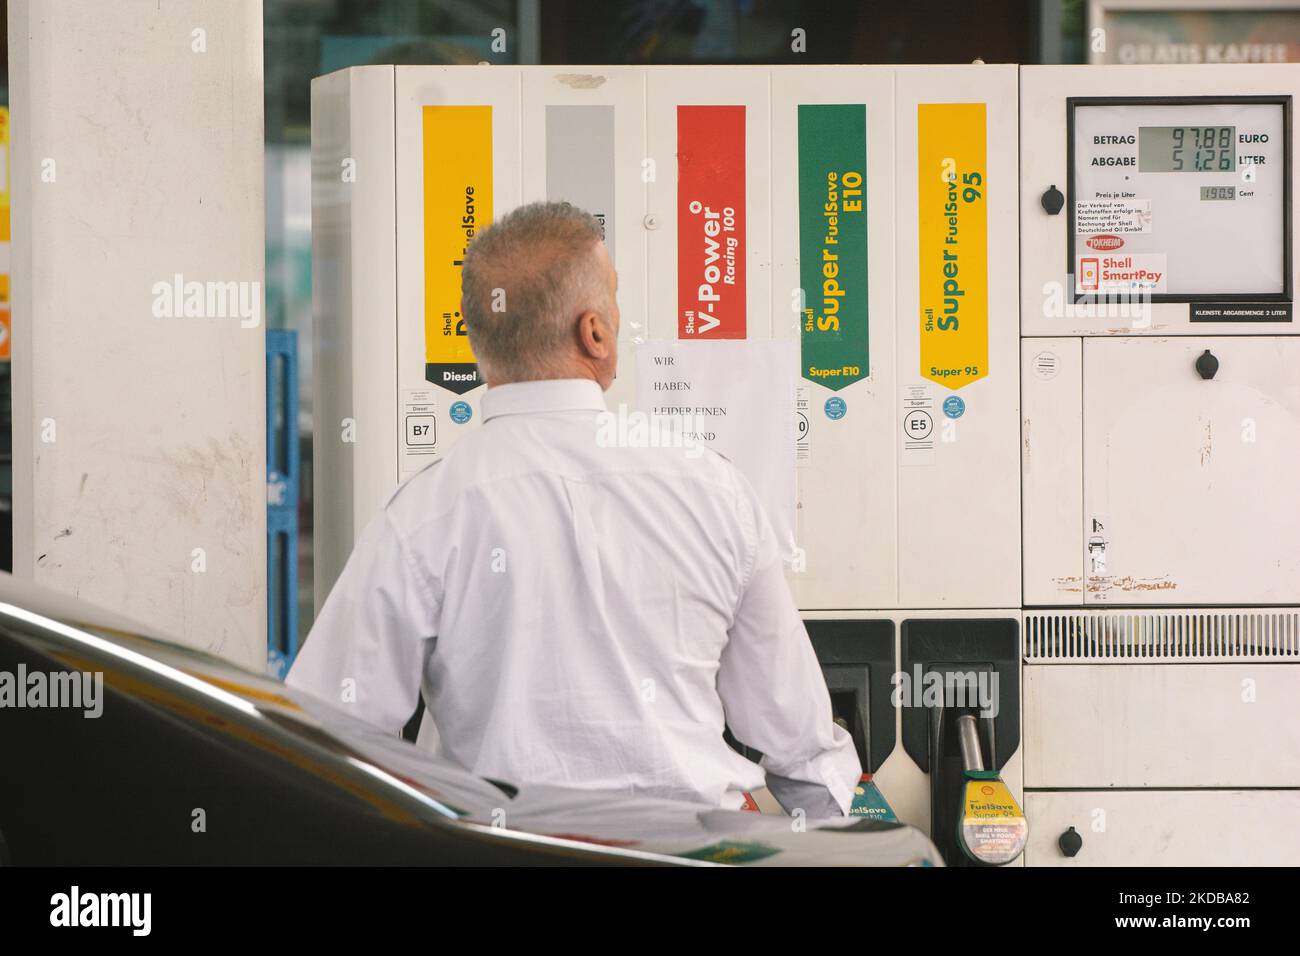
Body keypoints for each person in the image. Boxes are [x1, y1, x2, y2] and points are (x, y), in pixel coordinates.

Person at [287, 201, 860, 814]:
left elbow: (322, 744)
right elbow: (803, 755)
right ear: (595, 331)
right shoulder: (716, 493)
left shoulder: (424, 514)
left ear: (476, 333)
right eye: (614, 298)